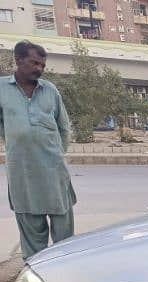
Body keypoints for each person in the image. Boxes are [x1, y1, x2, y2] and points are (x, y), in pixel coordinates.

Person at [0, 40, 76, 260]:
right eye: (34, 63)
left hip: (54, 172)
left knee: (64, 234)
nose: (39, 69)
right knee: (32, 233)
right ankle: (37, 278)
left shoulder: (50, 90)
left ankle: (65, 272)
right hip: (21, 173)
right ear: (18, 60)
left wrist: (55, 155)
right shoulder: (2, 89)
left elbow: (64, 127)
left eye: (42, 65)